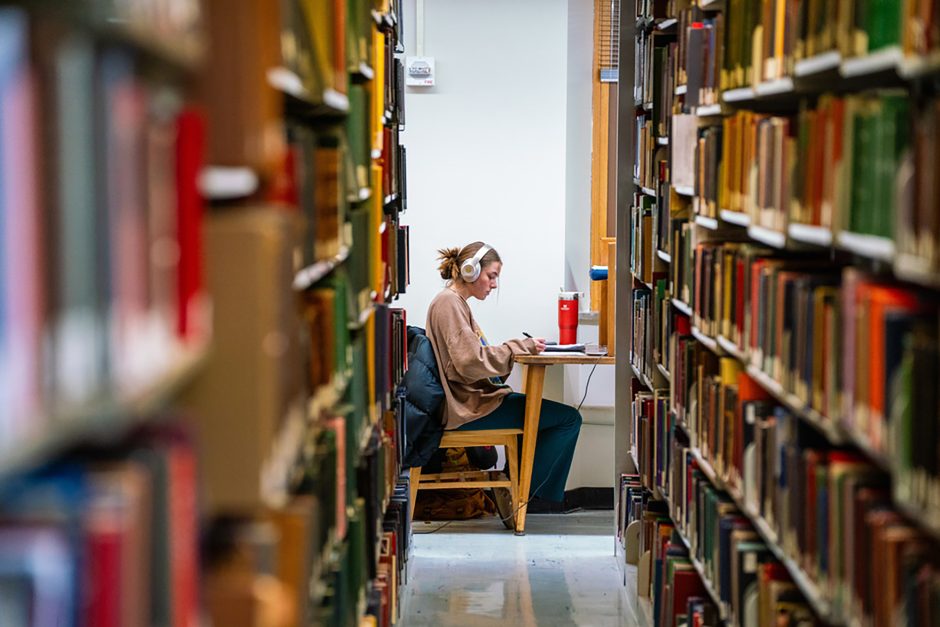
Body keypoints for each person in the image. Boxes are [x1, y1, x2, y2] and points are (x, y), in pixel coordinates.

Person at [425, 241, 583, 527]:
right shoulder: (449, 303)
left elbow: (469, 359)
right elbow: (470, 362)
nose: (494, 285)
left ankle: (514, 489)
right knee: (568, 419)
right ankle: (523, 495)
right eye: (491, 276)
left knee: (532, 415)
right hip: (467, 409)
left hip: (469, 402)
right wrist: (516, 347)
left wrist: (513, 350)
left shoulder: (453, 303)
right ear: (470, 271)